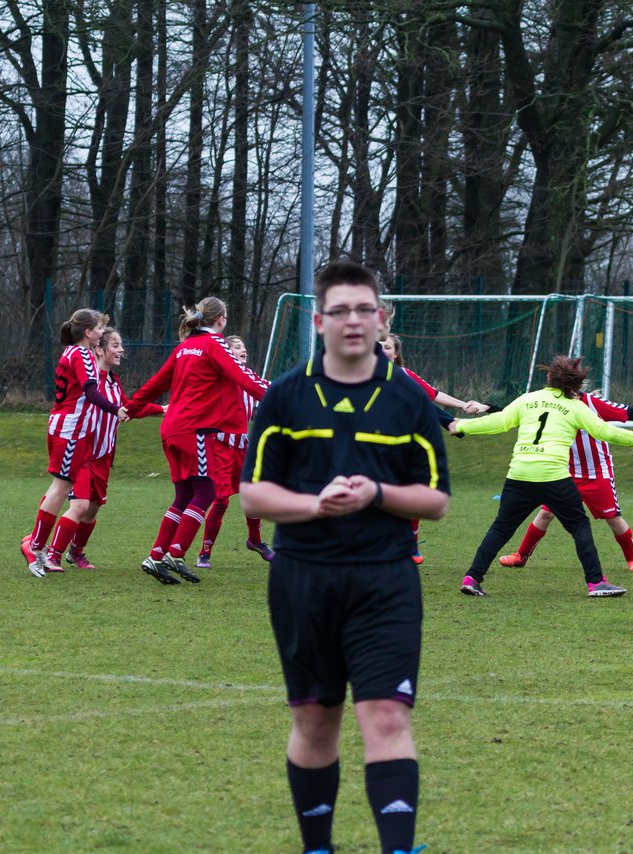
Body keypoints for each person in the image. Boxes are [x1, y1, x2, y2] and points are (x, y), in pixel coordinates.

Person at [239, 260, 449, 854]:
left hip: (386, 581)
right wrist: (314, 505)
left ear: (380, 318)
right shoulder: (285, 396)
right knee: (316, 719)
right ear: (319, 320)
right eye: (339, 310)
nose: (352, 321)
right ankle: (317, 847)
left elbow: (435, 500)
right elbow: (252, 492)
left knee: (385, 716)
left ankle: (398, 849)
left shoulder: (408, 399)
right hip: (303, 578)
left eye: (363, 309)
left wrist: (377, 494)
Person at [449, 355, 633, 598]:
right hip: (553, 477)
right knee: (579, 525)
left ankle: (472, 578)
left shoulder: (528, 399)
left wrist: (462, 425)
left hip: (519, 474)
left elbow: (499, 421)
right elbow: (606, 432)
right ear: (576, 385)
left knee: (501, 528)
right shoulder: (576, 407)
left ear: (549, 377)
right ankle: (596, 583)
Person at [129, 297, 270, 584]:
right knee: (206, 492)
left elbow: (155, 383)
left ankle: (156, 556)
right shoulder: (214, 345)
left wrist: (130, 408)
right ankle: (176, 553)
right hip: (195, 431)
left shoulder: (184, 348)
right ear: (221, 319)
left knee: (184, 495)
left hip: (172, 429)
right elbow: (245, 379)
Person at [497, 387, 633, 574]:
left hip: (597, 474)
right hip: (566, 473)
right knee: (546, 514)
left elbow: (626, 412)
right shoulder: (553, 403)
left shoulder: (593, 403)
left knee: (613, 518)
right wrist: (489, 408)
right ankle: (521, 556)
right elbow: (516, 413)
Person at [21, 308, 127, 576]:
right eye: (100, 329)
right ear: (88, 332)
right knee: (60, 488)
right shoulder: (80, 354)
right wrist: (115, 410)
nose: (102, 333)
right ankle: (35, 547)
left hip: (69, 428)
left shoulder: (75, 352)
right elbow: (91, 392)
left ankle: (36, 544)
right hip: (71, 430)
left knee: (59, 487)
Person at [380, 332, 492, 564]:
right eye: (378, 345)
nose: (383, 349)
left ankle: (411, 542)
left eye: (388, 347)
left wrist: (464, 405)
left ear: (396, 353)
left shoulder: (403, 375)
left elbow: (433, 395)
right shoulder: (360, 376)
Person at [64, 329, 165, 569]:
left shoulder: (112, 380)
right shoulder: (90, 380)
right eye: (116, 345)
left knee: (93, 508)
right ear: (99, 349)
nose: (121, 350)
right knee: (79, 506)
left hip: (103, 456)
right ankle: (50, 553)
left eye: (121, 345)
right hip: (83, 453)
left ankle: (75, 552)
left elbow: (127, 408)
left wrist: (161, 409)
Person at [196, 335, 274, 570]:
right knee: (220, 500)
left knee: (253, 496)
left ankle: (255, 541)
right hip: (218, 444)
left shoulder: (248, 379)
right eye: (237, 347)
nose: (244, 350)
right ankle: (204, 551)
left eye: (244, 347)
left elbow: (269, 389)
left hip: (242, 445)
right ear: (226, 353)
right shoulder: (220, 377)